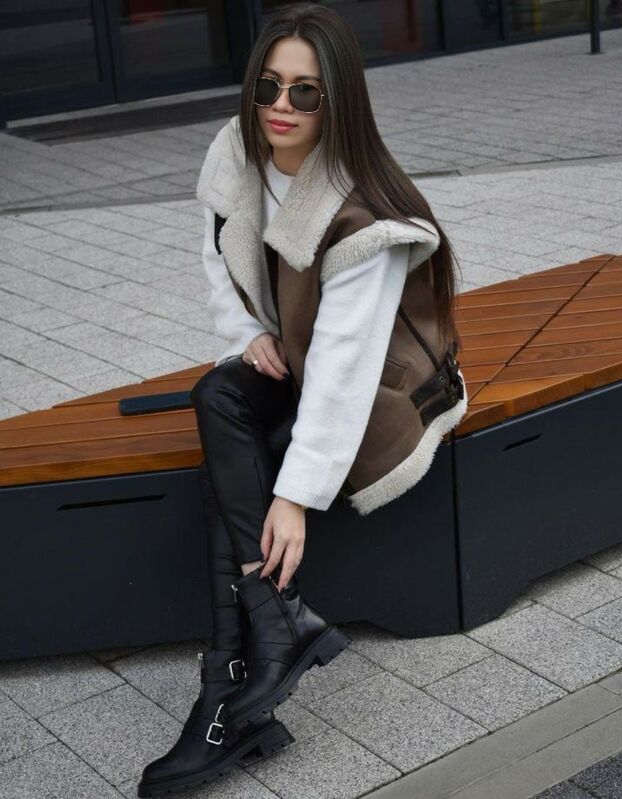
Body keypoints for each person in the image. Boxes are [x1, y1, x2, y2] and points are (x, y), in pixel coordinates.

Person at [138, 3, 467, 796]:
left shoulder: (365, 212)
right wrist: (245, 330)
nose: (280, 105)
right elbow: (218, 253)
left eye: (305, 92)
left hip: (384, 388)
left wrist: (295, 496)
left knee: (235, 457)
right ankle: (275, 630)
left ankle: (229, 688)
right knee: (218, 392)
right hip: (296, 358)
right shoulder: (237, 155)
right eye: (269, 85)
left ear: (337, 100)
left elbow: (347, 369)